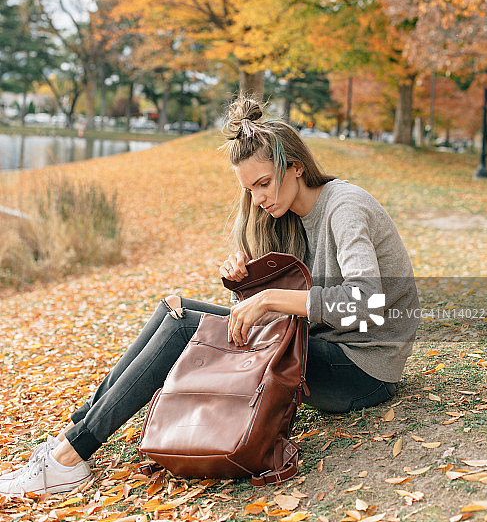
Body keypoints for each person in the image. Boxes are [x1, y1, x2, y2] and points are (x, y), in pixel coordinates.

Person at [0, 96, 419, 498]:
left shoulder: (343, 208)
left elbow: (366, 302)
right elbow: (285, 305)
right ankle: (73, 436)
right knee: (175, 311)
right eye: (249, 190)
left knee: (187, 328)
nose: (258, 199)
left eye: (263, 184)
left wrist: (268, 298)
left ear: (295, 168)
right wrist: (246, 280)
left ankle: (70, 456)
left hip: (363, 370)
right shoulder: (290, 217)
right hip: (323, 347)